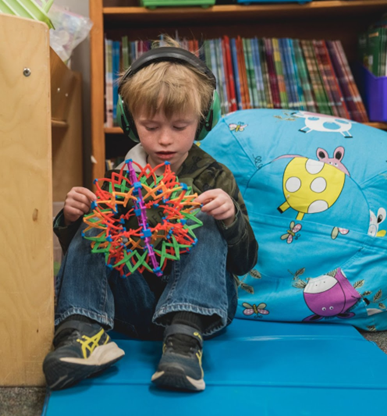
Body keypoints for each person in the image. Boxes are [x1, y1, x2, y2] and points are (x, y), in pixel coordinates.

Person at [43, 38, 259, 392]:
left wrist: (229, 217)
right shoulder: (119, 173)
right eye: (150, 126)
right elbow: (86, 255)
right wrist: (71, 218)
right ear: (130, 122)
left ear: (204, 122)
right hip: (128, 309)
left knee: (203, 213)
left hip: (202, 314)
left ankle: (184, 345)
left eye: (179, 127)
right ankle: (82, 333)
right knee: (97, 214)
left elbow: (245, 262)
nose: (164, 141)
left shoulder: (215, 177)